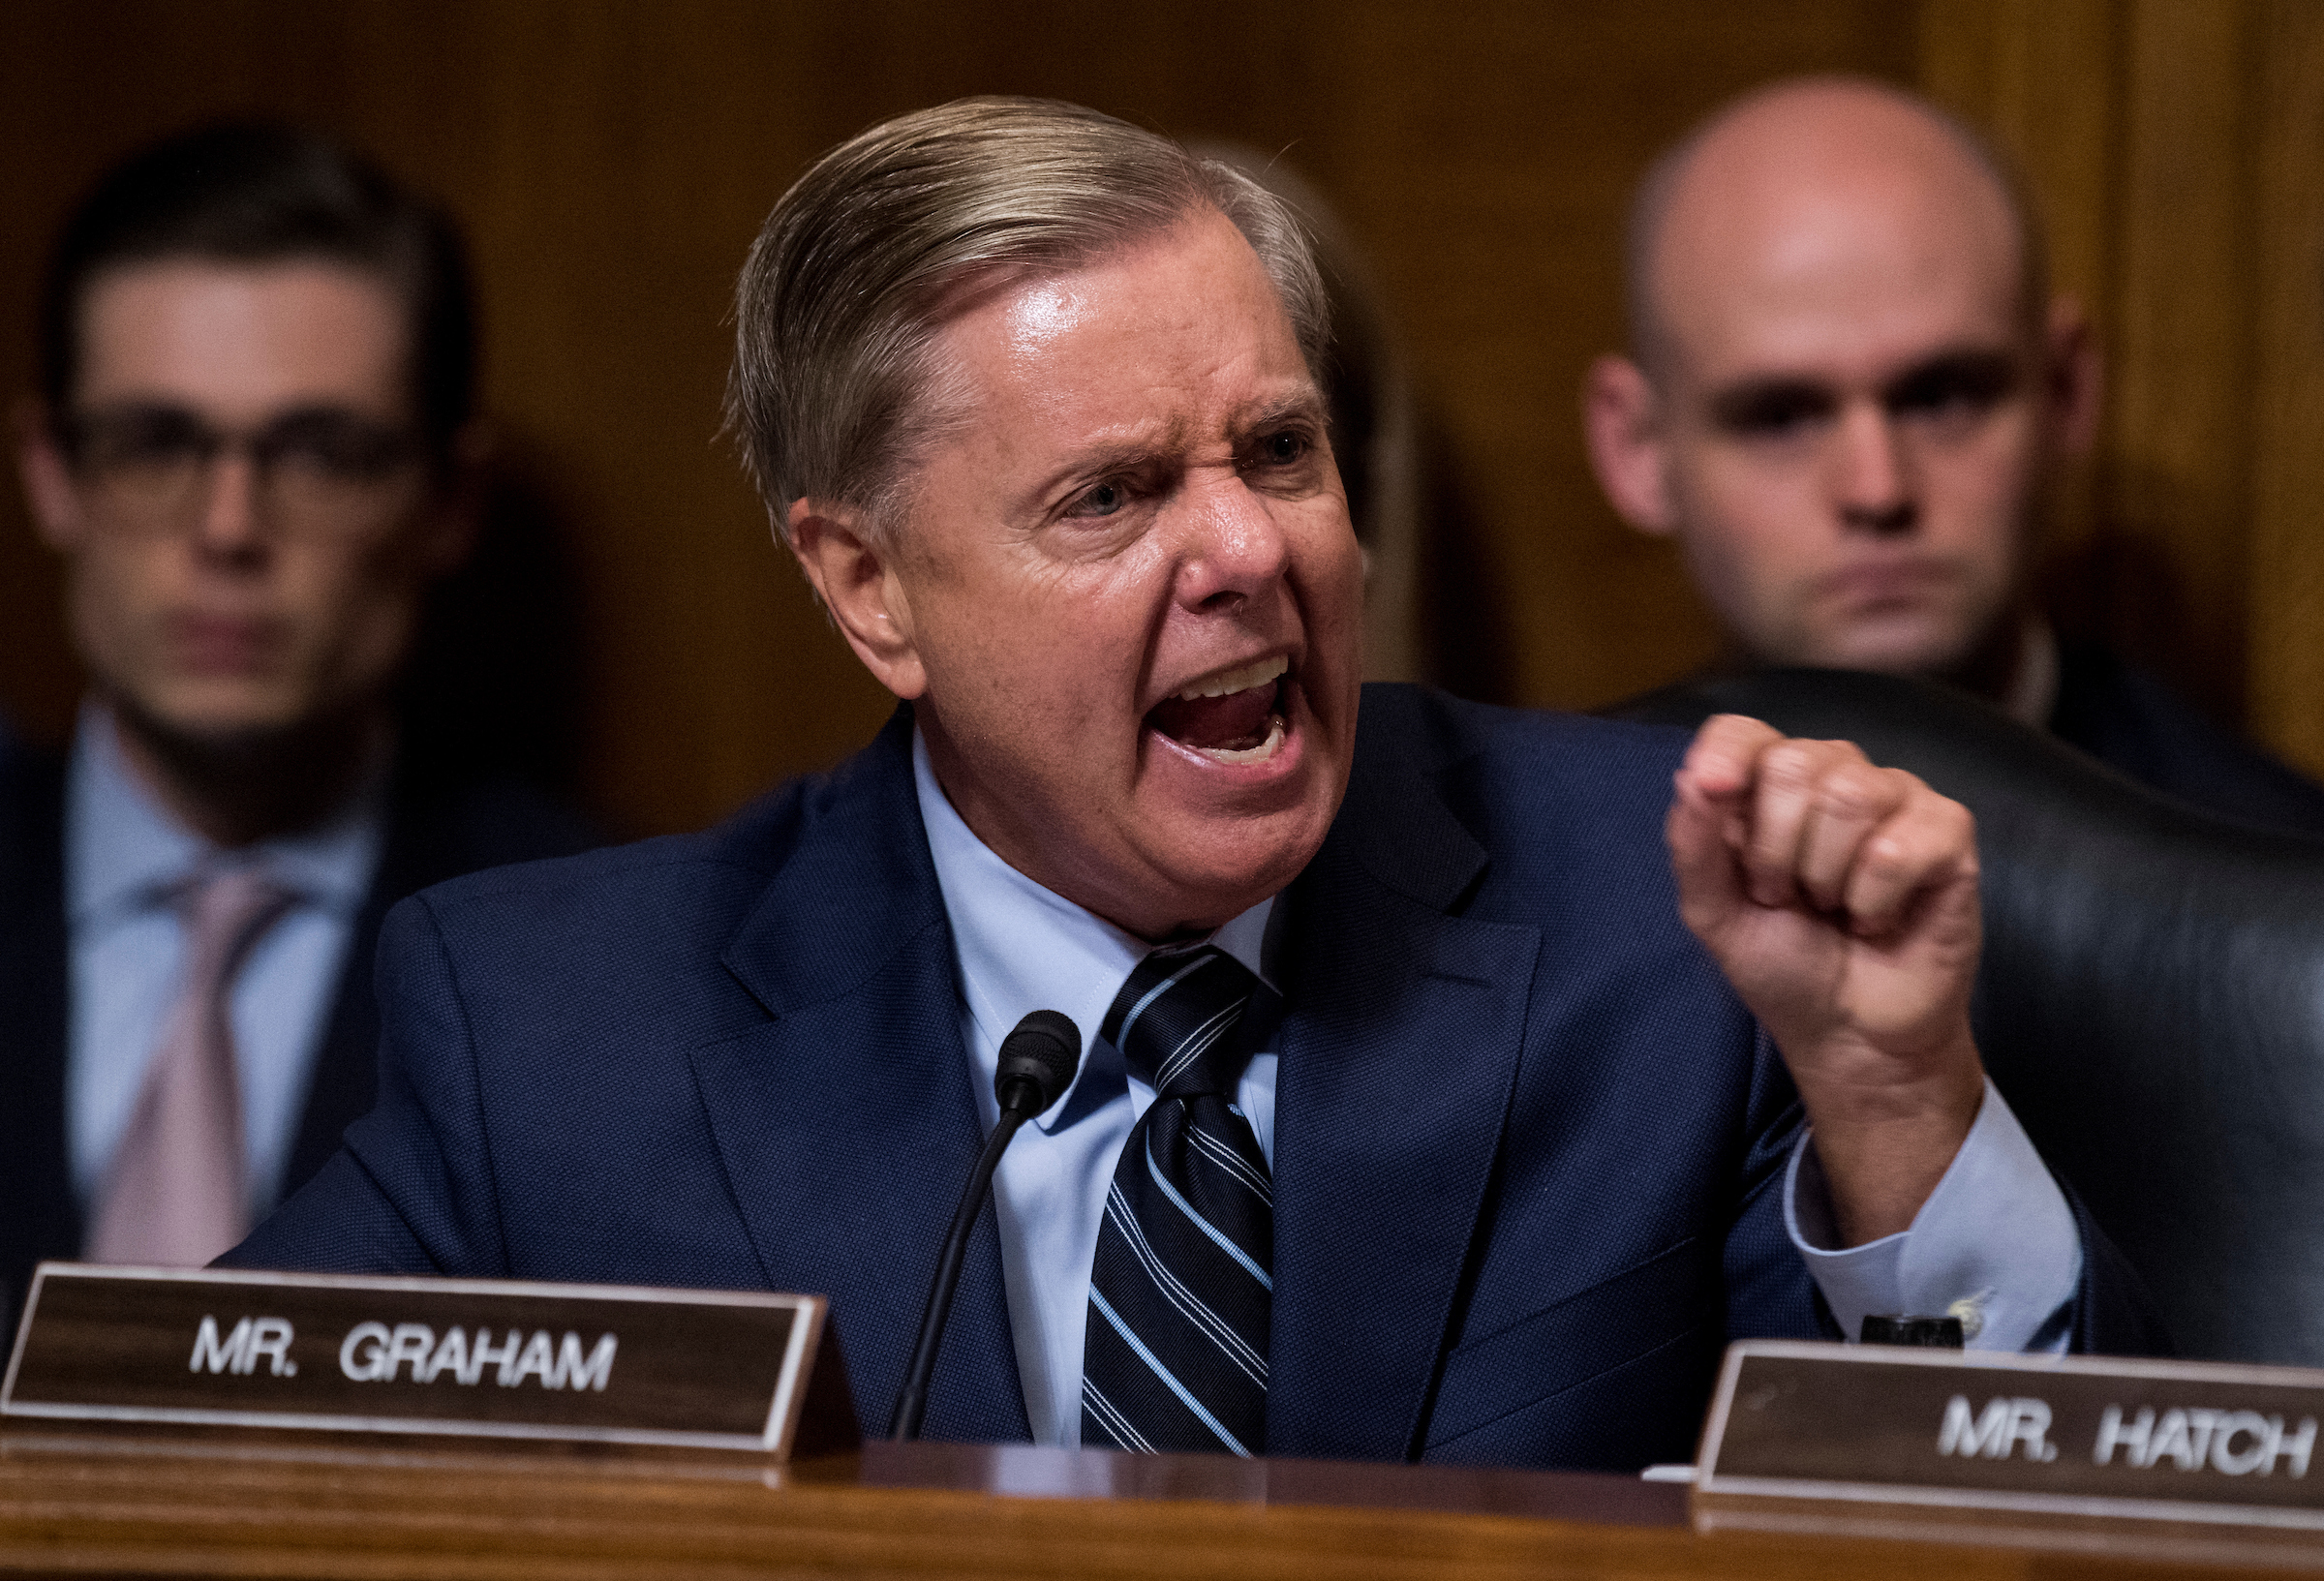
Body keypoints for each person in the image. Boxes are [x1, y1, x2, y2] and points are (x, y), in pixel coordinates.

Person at [228, 98, 2160, 1471]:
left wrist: (1897, 1099)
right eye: (1115, 493)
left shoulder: (1669, 917)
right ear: (869, 588)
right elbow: (175, 1465)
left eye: (1283, 449)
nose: (1250, 548)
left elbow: (1993, 1533)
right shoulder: (559, 1030)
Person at [1, 124, 596, 1325]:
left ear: (446, 502)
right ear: (51, 476)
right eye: (153, 443)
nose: (228, 527)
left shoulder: (600, 963)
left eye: (319, 453)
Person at [1583, 76, 2324, 836]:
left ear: (2063, 393)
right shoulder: (1538, 865)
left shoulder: (2287, 894)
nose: (1878, 490)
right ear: (1639, 449)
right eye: (1781, 417)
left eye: (1941, 398)